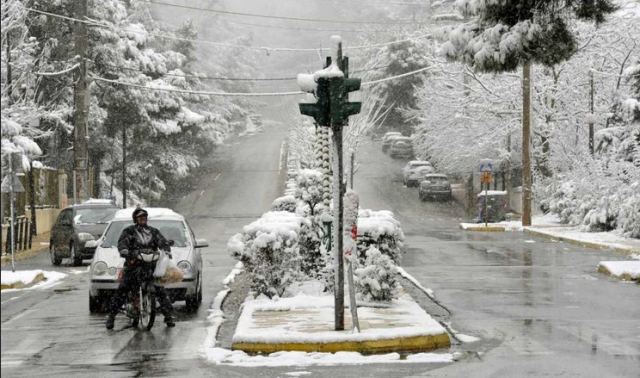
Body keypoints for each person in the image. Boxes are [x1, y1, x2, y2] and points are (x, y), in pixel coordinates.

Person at [106, 208, 175, 330]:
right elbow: (122, 243)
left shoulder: (153, 231)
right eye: (140, 217)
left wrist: (166, 248)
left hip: (150, 267)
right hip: (134, 266)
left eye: (144, 217)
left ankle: (168, 316)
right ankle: (111, 316)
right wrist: (125, 251)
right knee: (123, 289)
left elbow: (162, 241)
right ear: (135, 219)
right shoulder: (129, 231)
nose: (143, 219)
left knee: (159, 289)